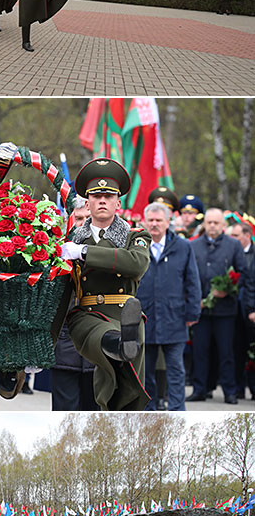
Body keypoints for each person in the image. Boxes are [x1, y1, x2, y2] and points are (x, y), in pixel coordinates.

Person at [65, 159, 151, 410]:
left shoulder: (136, 236)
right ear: (87, 202)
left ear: (118, 203)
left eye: (108, 195)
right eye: (96, 195)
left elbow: (136, 264)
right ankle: (119, 345)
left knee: (126, 398)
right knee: (100, 336)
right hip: (87, 314)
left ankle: (125, 344)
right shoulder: (70, 240)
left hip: (126, 314)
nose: (102, 200)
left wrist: (84, 252)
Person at [137, 201, 201, 411]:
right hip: (145, 319)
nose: (154, 224)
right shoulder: (137, 245)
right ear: (145, 222)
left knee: (176, 370)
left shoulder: (183, 247)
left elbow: (192, 281)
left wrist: (193, 312)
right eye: (151, 220)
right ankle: (149, 411)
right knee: (145, 372)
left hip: (175, 318)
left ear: (168, 222)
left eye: (159, 220)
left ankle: (176, 411)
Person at [189, 208, 246, 404]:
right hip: (201, 309)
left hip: (225, 309)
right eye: (209, 222)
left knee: (226, 352)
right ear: (204, 224)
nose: (212, 226)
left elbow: (243, 273)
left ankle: (230, 391)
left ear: (223, 225)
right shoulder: (193, 245)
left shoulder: (233, 246)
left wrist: (229, 289)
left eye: (216, 223)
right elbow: (187, 275)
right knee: (200, 351)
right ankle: (199, 389)